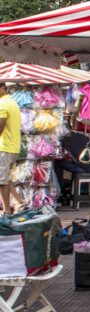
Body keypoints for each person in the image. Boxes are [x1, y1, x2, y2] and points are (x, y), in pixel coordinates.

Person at [0, 83, 22, 215]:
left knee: (1, 181)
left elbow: (0, 125)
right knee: (6, 178)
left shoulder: (2, 103)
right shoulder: (12, 102)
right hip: (12, 146)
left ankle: (7, 211)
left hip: (4, 147)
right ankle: (20, 201)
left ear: (1, 88)